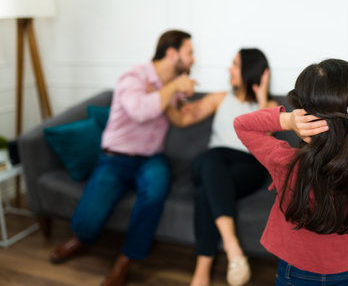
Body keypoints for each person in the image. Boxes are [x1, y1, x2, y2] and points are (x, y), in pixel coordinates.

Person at [234, 58, 348, 285]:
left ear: (304, 113)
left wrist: (287, 120)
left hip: (295, 272)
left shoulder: (285, 164)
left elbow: (242, 124)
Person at [49, 30, 196, 286]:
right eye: (189, 53)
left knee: (155, 193)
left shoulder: (175, 83)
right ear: (172, 54)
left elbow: (181, 114)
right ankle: (81, 239)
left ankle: (125, 261)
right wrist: (173, 87)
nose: (193, 59)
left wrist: (181, 93)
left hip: (152, 158)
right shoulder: (133, 77)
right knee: (86, 220)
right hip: (116, 157)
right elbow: (140, 111)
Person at [166, 48, 277, 286]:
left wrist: (261, 100)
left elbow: (265, 142)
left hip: (246, 169)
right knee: (211, 158)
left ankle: (201, 275)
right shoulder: (219, 98)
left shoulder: (269, 104)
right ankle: (232, 247)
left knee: (205, 191)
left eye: (235, 64)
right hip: (211, 162)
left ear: (249, 70)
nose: (229, 68)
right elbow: (183, 119)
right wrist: (166, 97)